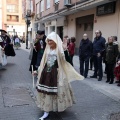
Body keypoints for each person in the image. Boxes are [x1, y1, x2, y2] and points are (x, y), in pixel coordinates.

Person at [33, 32, 84, 120]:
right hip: (46, 74)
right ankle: (46, 110)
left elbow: (67, 61)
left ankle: (55, 107)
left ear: (55, 41)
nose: (49, 43)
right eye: (48, 41)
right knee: (46, 92)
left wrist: (64, 50)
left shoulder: (59, 50)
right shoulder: (47, 50)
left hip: (57, 74)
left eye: (51, 41)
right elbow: (43, 63)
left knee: (57, 92)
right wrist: (37, 71)